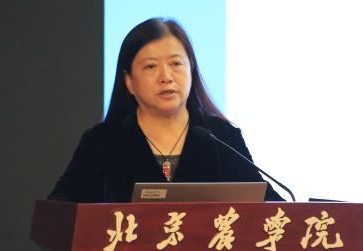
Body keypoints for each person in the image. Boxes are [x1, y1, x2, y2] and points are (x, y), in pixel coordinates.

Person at [48, 17, 282, 203]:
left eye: (176, 64)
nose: (166, 77)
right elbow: (61, 213)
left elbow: (269, 207)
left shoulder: (222, 137)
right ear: (129, 81)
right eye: (150, 67)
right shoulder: (103, 142)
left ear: (191, 69)